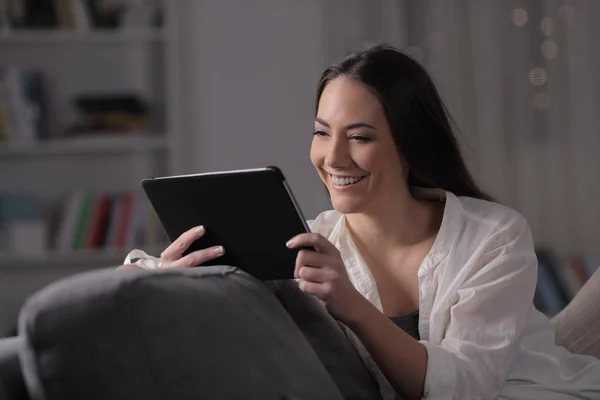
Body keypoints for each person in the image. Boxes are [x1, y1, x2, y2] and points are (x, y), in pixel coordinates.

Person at [120, 44, 600, 400]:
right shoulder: (310, 242)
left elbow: (466, 389)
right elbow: (127, 282)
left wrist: (352, 305)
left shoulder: (494, 235)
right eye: (321, 133)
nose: (333, 157)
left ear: (410, 145)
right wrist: (167, 280)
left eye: (360, 136)